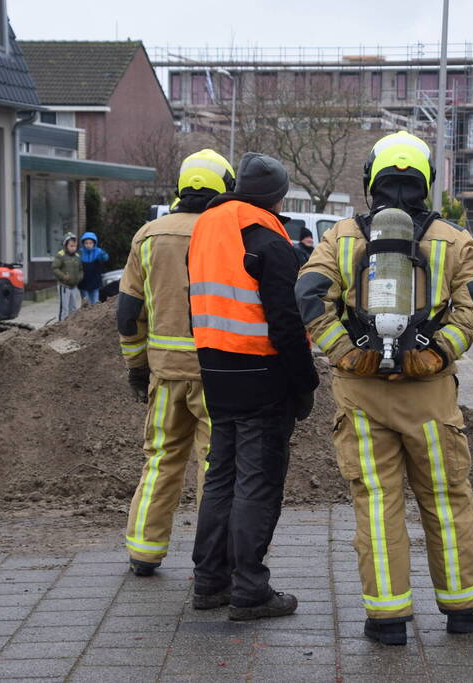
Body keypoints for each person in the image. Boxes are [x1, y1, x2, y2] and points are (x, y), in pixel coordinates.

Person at [296, 131, 473, 645]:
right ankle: (466, 610)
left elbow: (308, 294)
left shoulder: (341, 237)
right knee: (447, 498)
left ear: (371, 180)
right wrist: (438, 350)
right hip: (429, 394)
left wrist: (345, 350)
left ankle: (386, 618)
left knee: (376, 501)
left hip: (360, 392)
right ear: (426, 181)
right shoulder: (454, 240)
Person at [189, 152, 319, 621]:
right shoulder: (270, 240)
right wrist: (305, 384)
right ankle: (249, 589)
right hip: (262, 376)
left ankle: (209, 582)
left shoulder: (206, 229)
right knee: (257, 484)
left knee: (220, 477)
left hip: (214, 371)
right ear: (277, 197)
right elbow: (287, 323)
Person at [116, 149, 235, 577]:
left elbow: (128, 313)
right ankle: (213, 560)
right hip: (217, 375)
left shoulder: (148, 236)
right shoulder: (226, 233)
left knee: (161, 459)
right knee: (214, 466)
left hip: (165, 374)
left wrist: (136, 367)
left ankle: (144, 551)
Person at [52, 232, 82, 321]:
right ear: (65, 245)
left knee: (73, 308)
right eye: (71, 246)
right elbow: (55, 268)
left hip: (74, 286)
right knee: (64, 308)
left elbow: (81, 269)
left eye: (75, 246)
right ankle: (61, 325)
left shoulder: (77, 256)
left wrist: (79, 278)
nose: (73, 248)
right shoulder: (61, 255)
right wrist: (63, 276)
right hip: (64, 286)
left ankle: (72, 325)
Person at [78, 232, 109, 304]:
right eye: (86, 243)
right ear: (83, 243)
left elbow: (105, 258)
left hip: (95, 282)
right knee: (86, 304)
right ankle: (85, 315)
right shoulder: (80, 253)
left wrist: (103, 254)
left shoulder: (98, 251)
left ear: (94, 243)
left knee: (95, 302)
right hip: (83, 283)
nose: (88, 245)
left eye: (90, 243)